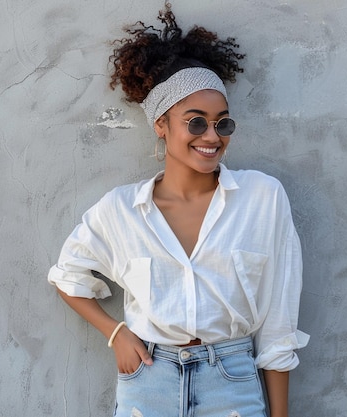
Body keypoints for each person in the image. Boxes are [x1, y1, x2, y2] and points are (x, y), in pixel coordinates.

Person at [48, 4, 309, 416]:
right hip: (148, 382)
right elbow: (67, 275)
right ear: (161, 125)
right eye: (196, 122)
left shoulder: (263, 198)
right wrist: (116, 333)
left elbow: (279, 325)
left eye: (222, 123)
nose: (212, 136)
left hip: (232, 384)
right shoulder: (121, 210)